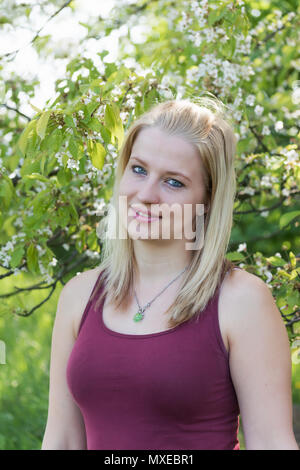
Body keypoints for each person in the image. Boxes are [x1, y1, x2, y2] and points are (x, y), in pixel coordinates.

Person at [41, 97, 298, 450]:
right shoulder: (79, 296)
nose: (146, 195)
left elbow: (271, 443)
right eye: (139, 169)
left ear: (207, 200)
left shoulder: (242, 301)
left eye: (173, 183)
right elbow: (62, 441)